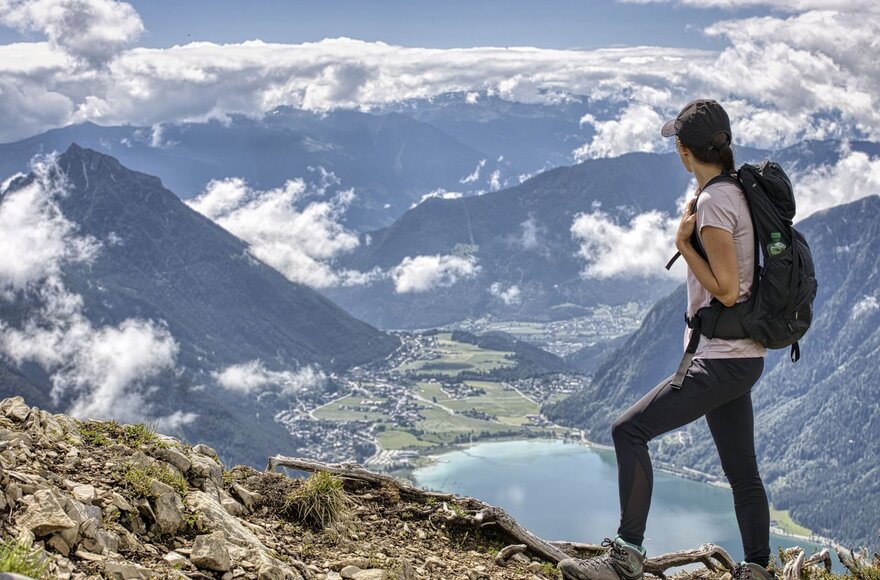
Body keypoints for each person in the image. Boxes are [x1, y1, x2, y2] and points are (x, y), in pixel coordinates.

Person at [558, 99, 774, 580]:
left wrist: (681, 245)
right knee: (742, 470)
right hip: (742, 356)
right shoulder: (736, 190)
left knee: (627, 431)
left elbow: (727, 287)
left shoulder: (717, 201)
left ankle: (625, 559)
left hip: (719, 359)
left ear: (684, 151)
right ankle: (758, 569)